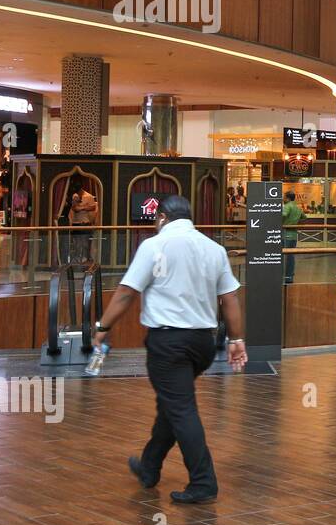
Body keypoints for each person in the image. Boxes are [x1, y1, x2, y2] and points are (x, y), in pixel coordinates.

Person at [92, 195, 246, 505]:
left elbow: (126, 292)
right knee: (173, 404)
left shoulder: (154, 246)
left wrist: (102, 328)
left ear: (162, 216)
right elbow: (229, 299)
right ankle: (150, 465)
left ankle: (204, 481)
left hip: (169, 343)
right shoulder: (214, 249)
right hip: (202, 342)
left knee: (180, 408)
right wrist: (236, 340)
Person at [68, 183, 98, 264]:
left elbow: (93, 207)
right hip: (76, 223)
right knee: (76, 242)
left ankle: (87, 258)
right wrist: (76, 203)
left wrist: (82, 208)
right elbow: (74, 208)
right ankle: (77, 258)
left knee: (85, 242)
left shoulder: (88, 196)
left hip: (85, 222)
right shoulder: (74, 196)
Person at [282, 190, 305, 284]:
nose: (283, 198)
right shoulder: (297, 207)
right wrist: (295, 221)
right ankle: (289, 277)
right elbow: (304, 217)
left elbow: (284, 214)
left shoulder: (287, 206)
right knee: (291, 257)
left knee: (282, 257)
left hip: (285, 234)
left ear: (287, 198)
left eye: (284, 197)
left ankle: (283, 276)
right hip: (294, 235)